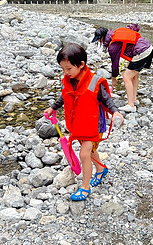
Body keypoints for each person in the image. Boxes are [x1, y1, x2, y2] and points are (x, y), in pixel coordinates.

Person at [44, 43, 124, 201]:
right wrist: (53, 108)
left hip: (93, 124)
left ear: (81, 65)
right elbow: (64, 97)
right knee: (90, 150)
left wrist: (115, 112)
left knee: (84, 154)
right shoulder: (69, 80)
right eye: (63, 69)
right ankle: (100, 169)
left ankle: (85, 188)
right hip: (78, 123)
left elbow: (107, 100)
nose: (66, 73)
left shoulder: (94, 82)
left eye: (69, 69)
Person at [92, 24, 153, 112]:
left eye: (98, 39)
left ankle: (131, 105)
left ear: (102, 37)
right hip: (148, 48)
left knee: (126, 77)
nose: (99, 41)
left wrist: (114, 79)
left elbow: (115, 65)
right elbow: (135, 27)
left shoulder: (113, 46)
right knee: (134, 75)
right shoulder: (116, 33)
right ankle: (134, 99)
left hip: (141, 52)